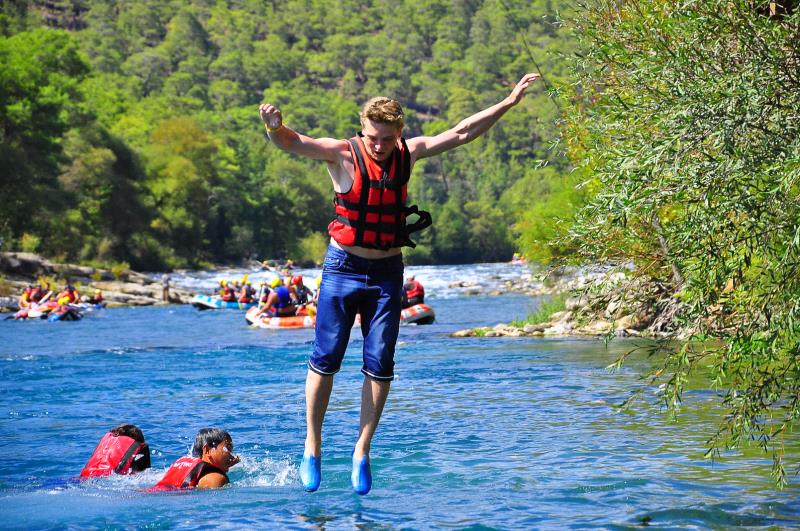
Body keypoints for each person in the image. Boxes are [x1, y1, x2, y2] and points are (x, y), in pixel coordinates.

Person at [259, 72, 540, 495]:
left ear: (399, 133)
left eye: (386, 139)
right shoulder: (344, 155)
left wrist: (508, 103)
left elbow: (463, 132)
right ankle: (312, 446)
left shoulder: (409, 153)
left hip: (388, 273)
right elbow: (295, 143)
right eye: (373, 136)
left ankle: (361, 450)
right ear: (363, 128)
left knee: (380, 364)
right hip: (342, 268)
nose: (379, 145)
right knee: (326, 358)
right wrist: (275, 127)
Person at [151, 428, 240, 491]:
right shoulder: (216, 478)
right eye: (228, 448)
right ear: (207, 450)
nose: (232, 455)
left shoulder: (187, 464)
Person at [80, 424, 151, 478]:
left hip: (84, 476)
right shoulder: (136, 446)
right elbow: (141, 473)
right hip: (108, 480)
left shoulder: (107, 442)